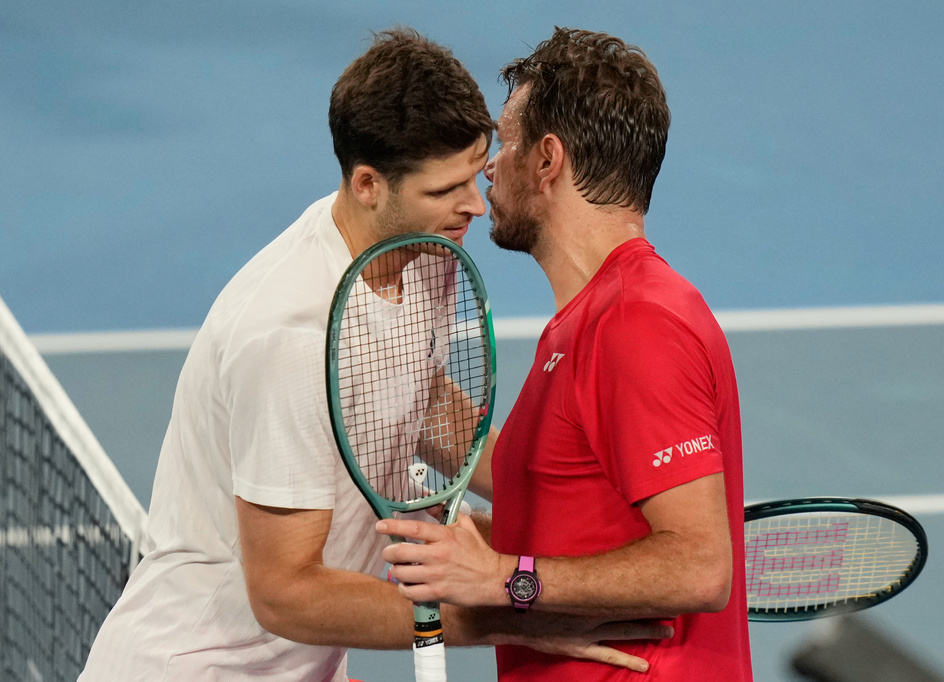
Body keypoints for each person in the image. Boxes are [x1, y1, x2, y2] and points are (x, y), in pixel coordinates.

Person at [79, 28, 666, 681]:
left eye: (475, 174)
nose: (476, 204)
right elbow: (285, 593)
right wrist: (509, 614)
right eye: (446, 190)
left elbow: (408, 399)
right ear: (367, 184)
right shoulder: (291, 336)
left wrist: (569, 511)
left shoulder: (426, 255)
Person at [378, 27, 754, 680]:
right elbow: (547, 491)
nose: (489, 167)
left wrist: (503, 579)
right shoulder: (585, 324)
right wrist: (390, 380)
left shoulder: (639, 324)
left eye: (507, 143)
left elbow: (700, 566)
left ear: (547, 160)